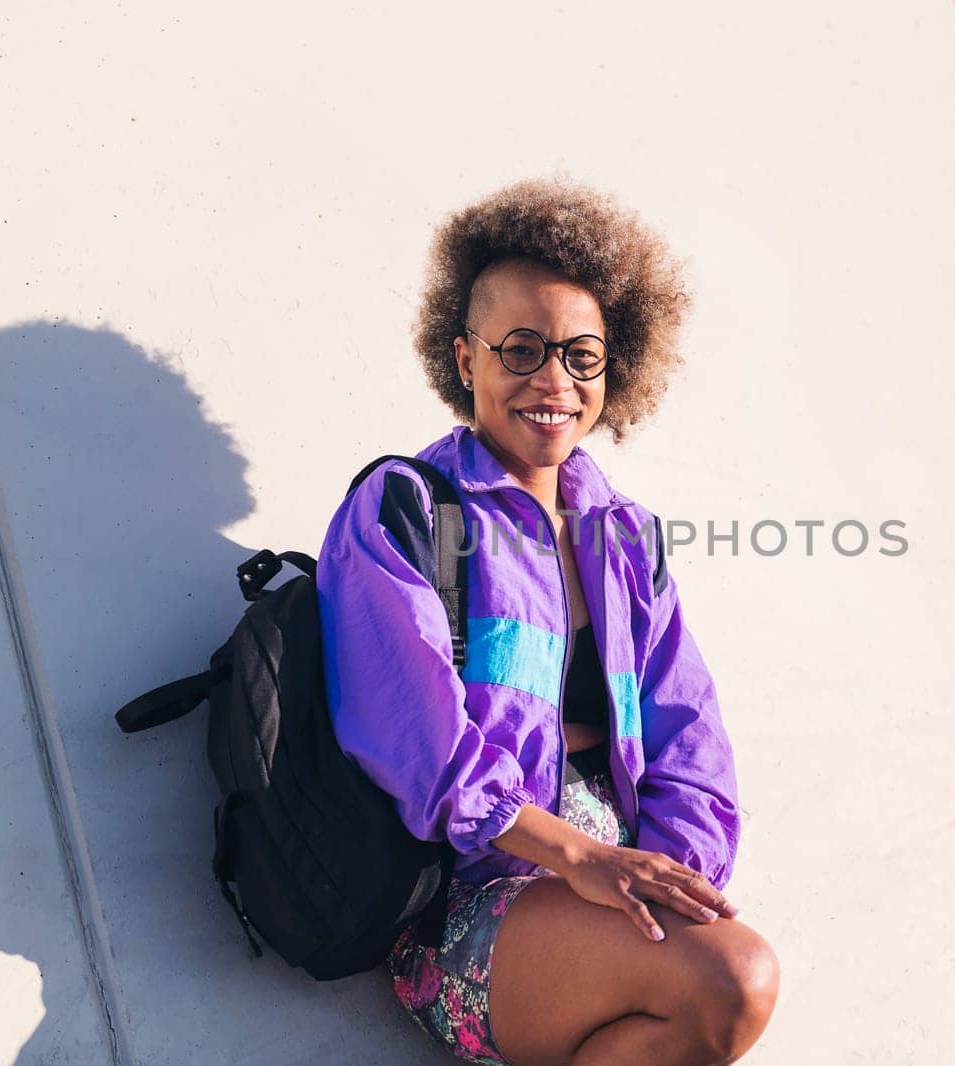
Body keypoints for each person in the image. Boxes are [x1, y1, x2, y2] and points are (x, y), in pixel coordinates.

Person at [314, 175, 781, 1066]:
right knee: (737, 979)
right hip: (464, 909)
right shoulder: (407, 510)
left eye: (580, 356)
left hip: (605, 896)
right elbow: (417, 739)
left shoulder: (626, 538)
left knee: (713, 1000)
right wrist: (577, 858)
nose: (553, 381)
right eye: (520, 349)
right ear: (464, 359)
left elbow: (691, 743)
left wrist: (674, 882)